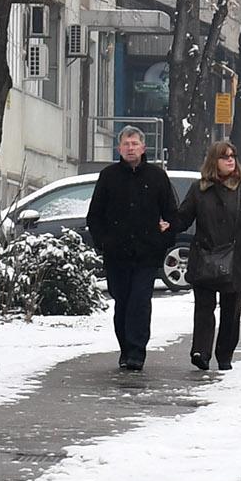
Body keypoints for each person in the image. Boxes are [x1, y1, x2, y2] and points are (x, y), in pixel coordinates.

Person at [85, 125, 179, 372]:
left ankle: (137, 352)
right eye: (126, 144)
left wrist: (163, 239)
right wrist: (104, 242)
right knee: (122, 302)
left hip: (147, 254)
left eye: (134, 143)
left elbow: (172, 215)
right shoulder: (109, 176)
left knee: (140, 302)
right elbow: (94, 216)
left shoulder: (157, 177)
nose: (130, 148)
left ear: (143, 148)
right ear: (119, 148)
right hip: (117, 255)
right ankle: (125, 349)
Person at [177, 139, 241, 375]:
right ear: (214, 161)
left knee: (231, 311)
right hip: (205, 254)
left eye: (232, 156)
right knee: (204, 308)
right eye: (225, 156)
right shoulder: (199, 189)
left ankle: (225, 355)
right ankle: (201, 352)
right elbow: (184, 217)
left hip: (235, 258)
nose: (230, 160)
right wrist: (168, 223)